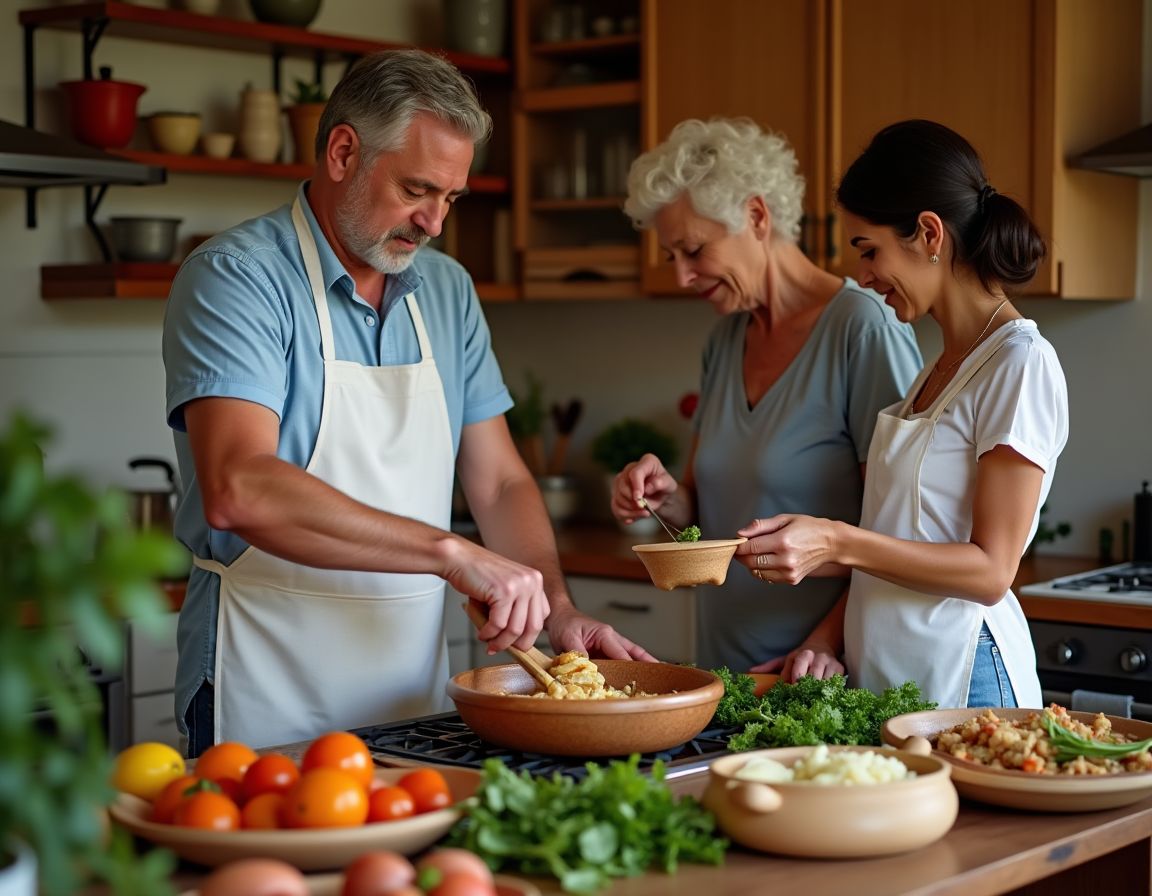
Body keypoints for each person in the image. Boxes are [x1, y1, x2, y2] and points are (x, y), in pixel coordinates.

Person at [163, 49, 655, 755]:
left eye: (450, 198)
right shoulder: (237, 279)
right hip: (264, 683)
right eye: (417, 189)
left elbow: (501, 479)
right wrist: (452, 552)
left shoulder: (447, 291)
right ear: (342, 152)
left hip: (409, 702)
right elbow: (239, 488)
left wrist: (558, 609)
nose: (434, 223)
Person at [738, 119, 1069, 709]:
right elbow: (903, 542)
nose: (862, 275)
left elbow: (992, 571)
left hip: (964, 673)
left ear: (928, 233)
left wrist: (837, 541)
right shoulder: (937, 367)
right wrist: (823, 641)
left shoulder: (1020, 363)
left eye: (870, 250)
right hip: (890, 674)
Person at [609, 118, 922, 679]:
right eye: (671, 256)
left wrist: (824, 645)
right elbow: (705, 521)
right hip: (725, 671)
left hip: (822, 672)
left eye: (693, 250)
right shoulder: (726, 338)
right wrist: (664, 499)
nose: (681, 276)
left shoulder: (862, 329)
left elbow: (902, 534)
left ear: (756, 216)